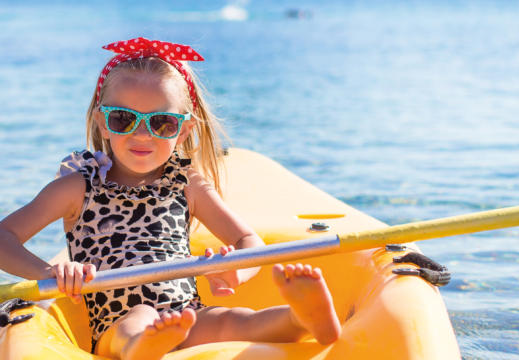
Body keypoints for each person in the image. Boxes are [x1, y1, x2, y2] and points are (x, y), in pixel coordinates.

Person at [0, 37, 341, 360]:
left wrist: (236, 270)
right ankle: (143, 346)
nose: (142, 134)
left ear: (184, 130)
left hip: (186, 313)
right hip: (114, 323)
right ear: (102, 122)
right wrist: (51, 272)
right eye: (123, 118)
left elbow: (246, 239)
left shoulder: (187, 184)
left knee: (235, 320)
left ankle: (302, 319)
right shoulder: (78, 187)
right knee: (140, 317)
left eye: (161, 123)